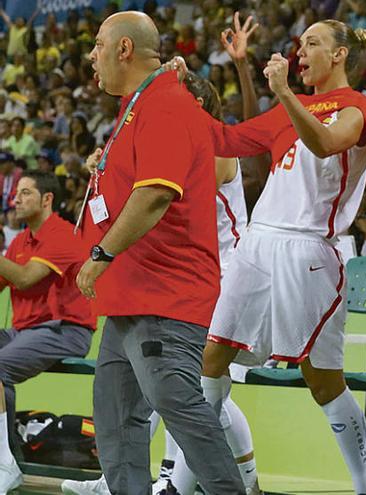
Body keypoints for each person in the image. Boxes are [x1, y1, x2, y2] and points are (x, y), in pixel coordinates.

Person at [190, 19, 366, 495]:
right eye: (299, 44)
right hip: (257, 243)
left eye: (313, 44)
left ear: (340, 55)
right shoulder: (294, 108)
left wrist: (283, 92)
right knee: (212, 358)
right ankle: (179, 484)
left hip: (310, 249)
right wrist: (206, 83)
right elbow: (233, 140)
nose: (300, 52)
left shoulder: (356, 107)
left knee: (322, 381)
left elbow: (325, 143)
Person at [74, 11, 245, 495]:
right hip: (131, 296)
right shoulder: (139, 105)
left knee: (181, 408)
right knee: (116, 420)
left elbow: (155, 193)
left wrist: (100, 254)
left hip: (164, 296)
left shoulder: (166, 105)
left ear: (125, 49)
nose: (92, 54)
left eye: (100, 44)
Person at [0, 171, 94, 493]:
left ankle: (5, 463)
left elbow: (26, 278)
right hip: (23, 332)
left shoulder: (63, 234)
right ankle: (8, 455)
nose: (17, 199)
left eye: (26, 193)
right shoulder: (19, 241)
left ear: (47, 199)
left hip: (65, 329)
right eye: (17, 193)